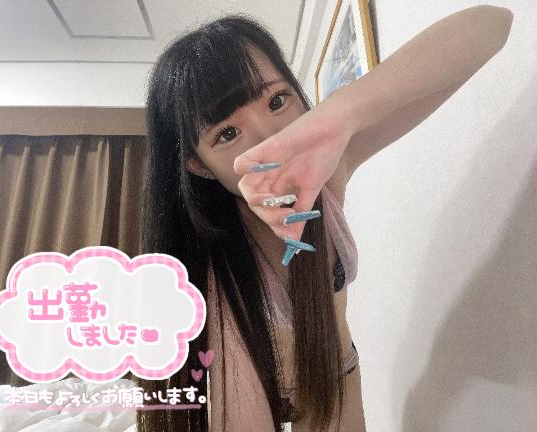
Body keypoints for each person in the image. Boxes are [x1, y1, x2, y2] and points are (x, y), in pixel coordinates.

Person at [134, 7, 513, 432]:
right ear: (199, 166)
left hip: (337, 371)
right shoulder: (211, 275)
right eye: (227, 133)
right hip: (256, 382)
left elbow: (493, 26)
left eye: (277, 101)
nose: (272, 138)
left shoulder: (328, 176)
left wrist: (340, 115)